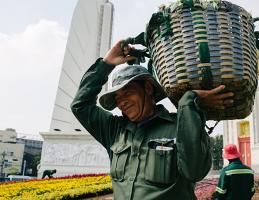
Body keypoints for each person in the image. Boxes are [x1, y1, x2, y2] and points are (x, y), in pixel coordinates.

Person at [71, 40, 234, 200]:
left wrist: (188, 103)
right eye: (117, 97)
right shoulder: (114, 130)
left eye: (127, 92)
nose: (121, 102)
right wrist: (106, 64)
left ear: (148, 88)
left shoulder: (180, 125)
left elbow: (195, 171)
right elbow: (80, 105)